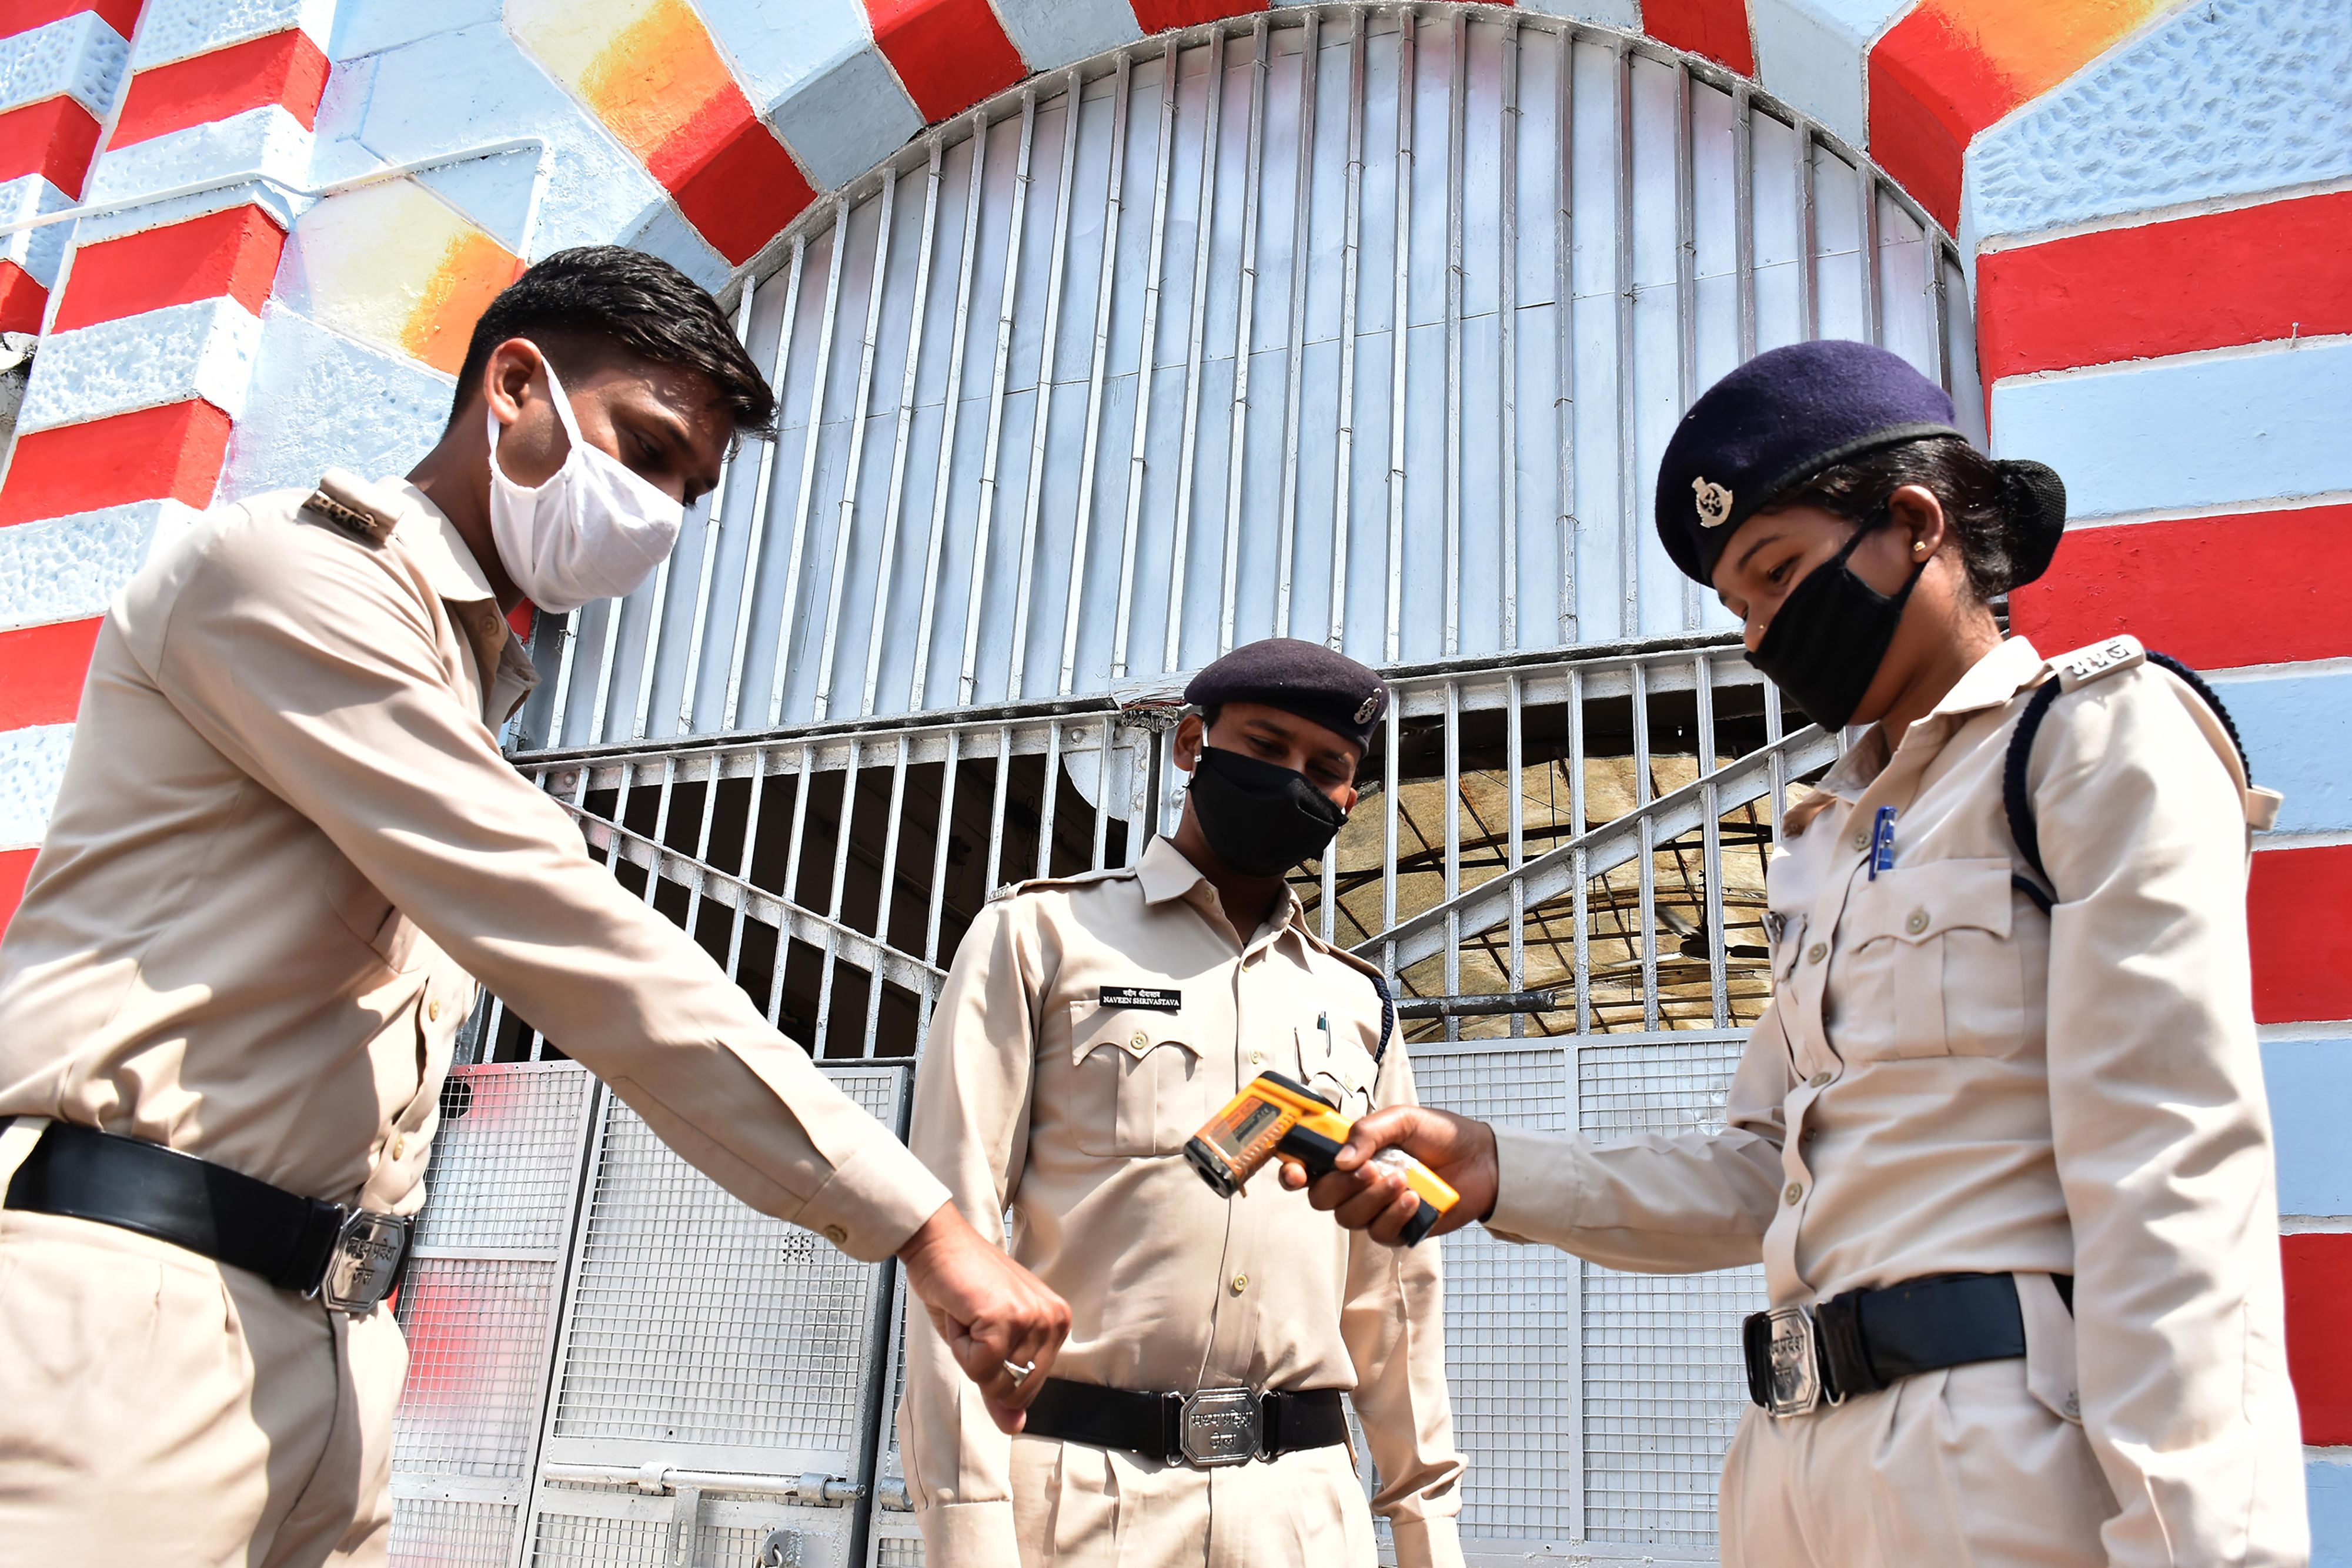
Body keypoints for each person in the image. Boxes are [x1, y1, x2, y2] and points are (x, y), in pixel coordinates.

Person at [0, 246, 1067, 1566]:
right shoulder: (294, 577)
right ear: (516, 383)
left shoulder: (468, 676)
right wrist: (920, 1214)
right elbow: (563, 929)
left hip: (328, 1338)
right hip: (132, 1300)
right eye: (646, 446)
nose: (659, 510)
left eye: (689, 489)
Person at [1292, 339, 2309, 1566]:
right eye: (1736, 606)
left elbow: (2171, 1172)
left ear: (1912, 521)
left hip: (2006, 1462)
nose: (1761, 631)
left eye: (1775, 573)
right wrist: (1500, 1167)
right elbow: (1758, 1169)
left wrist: (2202, 1546)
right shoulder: (1828, 835)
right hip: (1790, 1463)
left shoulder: (2089, 743)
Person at [900, 637, 1468, 1567]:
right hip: (1085, 1500)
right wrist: (967, 1529)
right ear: (1192, 743)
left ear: (1347, 803)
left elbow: (1393, 1289)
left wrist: (1425, 1531)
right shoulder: (1042, 937)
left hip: (1306, 1514)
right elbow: (953, 1233)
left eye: (1327, 768)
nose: (1295, 778)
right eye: (1267, 745)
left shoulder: (1355, 1000)